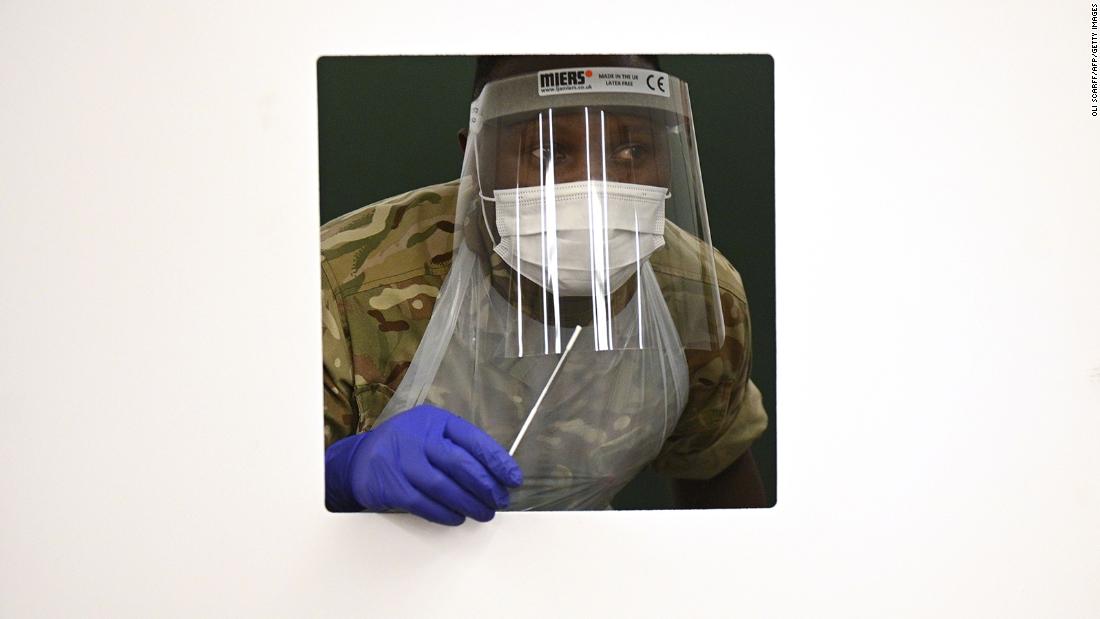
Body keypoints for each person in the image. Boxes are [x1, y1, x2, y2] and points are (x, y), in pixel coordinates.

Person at [321, 55, 769, 524]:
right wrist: (340, 473)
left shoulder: (698, 295)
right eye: (547, 153)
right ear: (473, 158)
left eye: (632, 151)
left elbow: (715, 473)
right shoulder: (343, 284)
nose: (595, 190)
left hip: (576, 577)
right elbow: (251, 506)